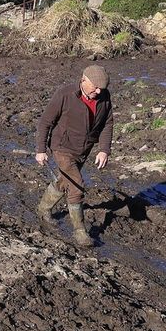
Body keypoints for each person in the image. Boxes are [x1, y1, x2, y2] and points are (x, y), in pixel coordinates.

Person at [34, 64, 114, 247]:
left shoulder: (104, 97)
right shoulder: (65, 95)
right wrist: (40, 150)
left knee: (65, 181)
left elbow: (107, 123)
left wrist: (104, 149)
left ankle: (43, 209)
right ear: (83, 80)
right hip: (62, 147)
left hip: (83, 150)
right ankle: (80, 232)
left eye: (102, 88)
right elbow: (45, 122)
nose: (99, 91)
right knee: (76, 186)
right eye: (95, 87)